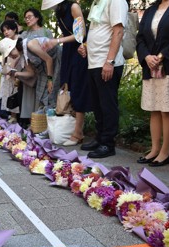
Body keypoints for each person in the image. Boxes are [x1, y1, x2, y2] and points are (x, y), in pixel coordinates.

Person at [136, 0, 169, 167]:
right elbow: (140, 37)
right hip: (150, 66)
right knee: (154, 109)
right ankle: (154, 149)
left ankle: (165, 152)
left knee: (166, 110)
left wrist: (163, 55)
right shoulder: (151, 9)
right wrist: (147, 57)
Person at [78, 0, 128, 158]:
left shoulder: (116, 1)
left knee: (107, 105)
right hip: (94, 62)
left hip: (107, 62)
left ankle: (108, 144)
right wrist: (85, 46)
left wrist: (110, 61)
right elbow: (99, 30)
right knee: (97, 104)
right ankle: (100, 138)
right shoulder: (97, 3)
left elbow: (118, 31)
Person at [41, 0, 91, 146]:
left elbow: (81, 34)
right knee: (66, 88)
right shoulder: (59, 10)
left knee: (78, 89)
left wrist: (57, 40)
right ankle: (69, 128)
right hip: (68, 52)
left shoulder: (74, 7)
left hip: (80, 51)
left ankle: (78, 133)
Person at [0, 20, 20, 123]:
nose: (6, 32)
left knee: (15, 92)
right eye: (4, 30)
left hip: (18, 70)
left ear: (14, 29)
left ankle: (16, 116)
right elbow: (5, 57)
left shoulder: (19, 40)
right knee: (9, 93)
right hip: (8, 70)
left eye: (8, 29)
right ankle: (12, 115)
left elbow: (18, 55)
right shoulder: (4, 42)